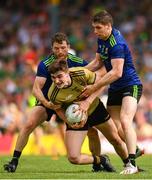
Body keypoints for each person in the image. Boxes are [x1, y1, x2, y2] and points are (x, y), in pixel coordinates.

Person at [3, 32, 112, 173]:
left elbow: (93, 76)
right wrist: (46, 103)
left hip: (68, 102)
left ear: (68, 47)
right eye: (56, 48)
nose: (59, 51)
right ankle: (14, 161)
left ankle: (98, 162)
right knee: (28, 124)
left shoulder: (78, 62)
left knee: (91, 130)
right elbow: (36, 89)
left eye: (62, 47)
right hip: (48, 101)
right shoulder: (45, 64)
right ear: (52, 48)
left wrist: (88, 93)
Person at [80, 10, 143, 174]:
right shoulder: (102, 39)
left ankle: (132, 164)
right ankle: (134, 148)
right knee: (115, 127)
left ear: (108, 26)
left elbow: (117, 72)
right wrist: (77, 73)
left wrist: (93, 88)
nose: (95, 31)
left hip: (131, 85)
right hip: (115, 87)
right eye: (94, 28)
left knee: (125, 119)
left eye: (98, 28)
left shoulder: (116, 44)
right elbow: (97, 63)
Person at [47, 59, 128, 172]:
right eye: (53, 78)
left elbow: (101, 84)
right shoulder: (53, 93)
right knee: (73, 158)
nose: (56, 81)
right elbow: (58, 108)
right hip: (76, 119)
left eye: (59, 76)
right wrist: (68, 121)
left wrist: (87, 102)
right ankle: (100, 161)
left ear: (67, 73)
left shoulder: (81, 73)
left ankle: (129, 164)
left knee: (115, 139)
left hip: (95, 109)